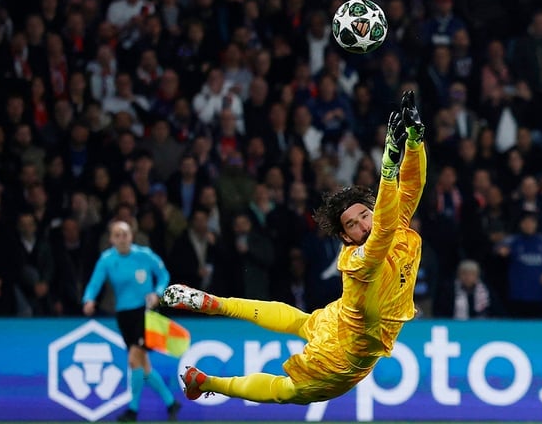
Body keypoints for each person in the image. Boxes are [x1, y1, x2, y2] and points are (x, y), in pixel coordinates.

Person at [161, 91, 427, 404]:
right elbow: (381, 231)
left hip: (339, 319)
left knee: (301, 321)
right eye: (352, 224)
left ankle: (215, 304)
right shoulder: (360, 260)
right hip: (346, 356)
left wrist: (414, 138)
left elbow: (412, 187)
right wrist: (387, 167)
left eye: (364, 215)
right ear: (345, 238)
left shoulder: (394, 226)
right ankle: (212, 383)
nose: (363, 225)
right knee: (287, 391)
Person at [82, 221, 181, 422]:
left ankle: (132, 410)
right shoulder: (107, 259)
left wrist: (157, 293)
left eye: (125, 234)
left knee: (133, 359)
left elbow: (163, 275)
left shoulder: (144, 255)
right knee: (143, 366)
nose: (122, 238)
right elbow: (95, 283)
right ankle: (171, 403)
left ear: (131, 236)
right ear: (111, 239)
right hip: (124, 315)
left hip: (145, 313)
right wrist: (89, 299)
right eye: (117, 235)